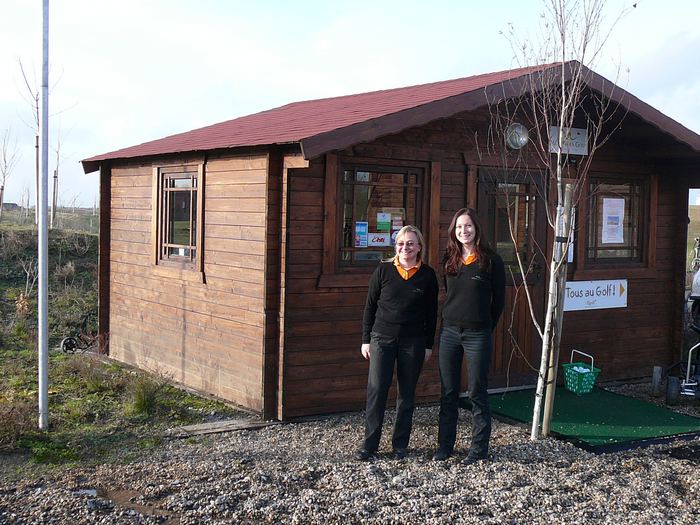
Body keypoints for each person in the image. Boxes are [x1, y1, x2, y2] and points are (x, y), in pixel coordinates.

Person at [357, 225, 439, 461]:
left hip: (412, 342)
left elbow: (432, 313)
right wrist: (366, 339)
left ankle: (400, 444)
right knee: (377, 391)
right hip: (381, 339)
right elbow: (370, 307)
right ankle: (370, 445)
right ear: (396, 246)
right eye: (401, 243)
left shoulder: (427, 275)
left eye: (411, 243)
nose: (406, 247)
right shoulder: (383, 271)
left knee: (406, 395)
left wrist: (428, 345)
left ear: (419, 247)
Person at [433, 208, 505, 465]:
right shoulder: (449, 259)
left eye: (468, 226)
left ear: (477, 229)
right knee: (448, 392)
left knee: (477, 391)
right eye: (459, 227)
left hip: (478, 334)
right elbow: (449, 293)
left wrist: (484, 326)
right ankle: (444, 447)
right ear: (454, 230)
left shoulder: (491, 261)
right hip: (450, 332)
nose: (464, 231)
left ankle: (478, 449)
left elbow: (499, 302)